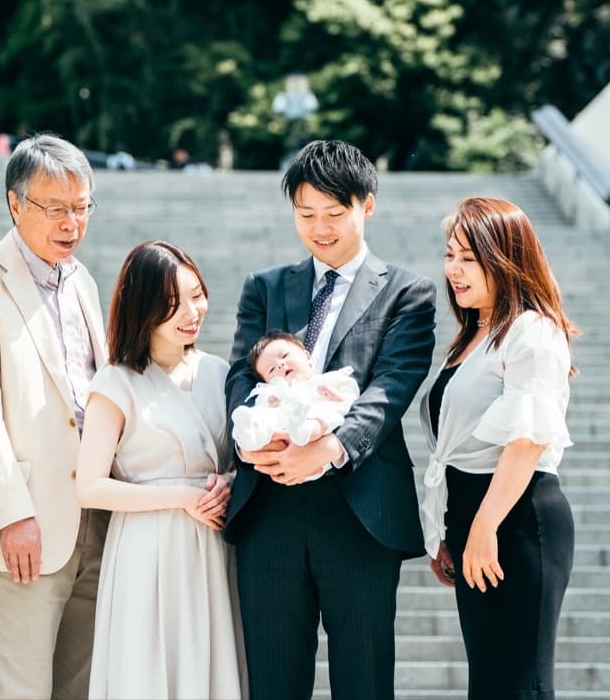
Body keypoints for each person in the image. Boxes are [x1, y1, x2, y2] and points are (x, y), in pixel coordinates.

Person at [224, 139, 437, 700]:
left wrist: (330, 447)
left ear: (367, 205)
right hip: (268, 508)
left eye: (334, 213)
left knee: (364, 683)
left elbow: (392, 387)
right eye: (305, 214)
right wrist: (252, 446)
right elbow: (240, 377)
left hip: (360, 510)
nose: (320, 228)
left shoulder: (407, 293)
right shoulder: (264, 288)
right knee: (272, 682)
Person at [0, 134, 108, 699]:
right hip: (26, 529)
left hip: (95, 524)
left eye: (81, 207)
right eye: (54, 208)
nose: (71, 223)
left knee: (80, 689)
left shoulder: (82, 281)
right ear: (15, 204)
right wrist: (10, 514)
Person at [420, 197, 578, 700]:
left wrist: (484, 527)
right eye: (450, 256)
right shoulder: (473, 336)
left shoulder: (531, 330)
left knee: (520, 684)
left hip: (517, 517)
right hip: (476, 519)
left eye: (469, 258)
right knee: (489, 684)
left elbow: (527, 439)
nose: (454, 270)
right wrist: (451, 529)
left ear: (505, 257)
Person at [75, 241, 241, 699]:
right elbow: (89, 487)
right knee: (147, 672)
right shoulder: (116, 381)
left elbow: (236, 461)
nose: (192, 312)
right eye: (173, 304)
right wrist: (181, 498)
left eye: (197, 295)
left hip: (211, 545)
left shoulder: (220, 373)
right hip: (146, 550)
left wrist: (226, 484)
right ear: (145, 309)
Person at [231, 330, 360, 457]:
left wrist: (334, 395)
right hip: (283, 429)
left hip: (317, 431)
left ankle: (302, 429)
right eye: (271, 369)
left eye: (284, 356)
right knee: (264, 418)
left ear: (307, 357)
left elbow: (351, 402)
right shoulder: (277, 391)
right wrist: (271, 399)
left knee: (322, 419)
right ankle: (248, 436)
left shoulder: (327, 381)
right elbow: (264, 403)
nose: (280, 365)